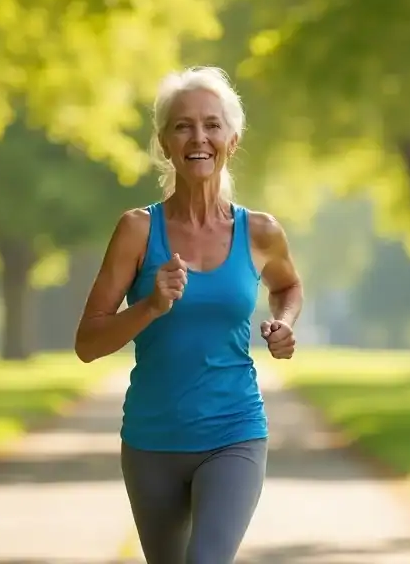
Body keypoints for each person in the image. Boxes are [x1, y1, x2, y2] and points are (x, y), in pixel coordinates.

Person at [73, 66, 304, 563]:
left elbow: (287, 285)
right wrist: (150, 306)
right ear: (164, 142)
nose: (199, 137)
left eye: (212, 125)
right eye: (183, 126)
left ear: (232, 139)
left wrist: (284, 322)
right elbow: (87, 343)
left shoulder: (261, 232)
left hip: (234, 432)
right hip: (152, 441)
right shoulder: (137, 231)